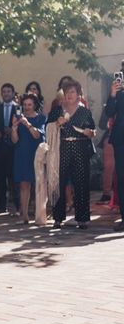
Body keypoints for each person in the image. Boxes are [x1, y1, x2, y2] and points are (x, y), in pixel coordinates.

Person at [47, 79, 96, 229]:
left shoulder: (85, 112)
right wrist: (56, 124)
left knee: (81, 183)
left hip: (80, 148)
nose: (69, 95)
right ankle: (58, 218)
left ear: (78, 94)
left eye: (73, 92)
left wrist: (89, 132)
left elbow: (92, 130)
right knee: (59, 182)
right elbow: (47, 127)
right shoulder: (57, 110)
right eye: (67, 92)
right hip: (62, 148)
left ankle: (82, 218)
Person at [11, 93, 46, 224]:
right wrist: (14, 127)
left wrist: (27, 124)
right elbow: (14, 140)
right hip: (21, 154)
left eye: (29, 104)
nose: (26, 107)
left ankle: (40, 214)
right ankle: (24, 215)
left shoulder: (41, 118)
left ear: (35, 105)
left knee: (39, 184)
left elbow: (37, 135)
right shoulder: (18, 118)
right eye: (24, 105)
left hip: (36, 154)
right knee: (24, 185)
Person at [0, 83, 18, 215]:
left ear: (13, 93)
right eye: (4, 91)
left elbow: (22, 125)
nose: (6, 94)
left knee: (14, 178)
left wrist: (13, 130)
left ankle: (18, 205)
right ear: (1, 93)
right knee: (0, 178)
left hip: (13, 147)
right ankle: (1, 205)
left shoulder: (18, 108)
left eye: (8, 91)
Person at [105, 72, 124, 231]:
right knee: (122, 179)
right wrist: (112, 94)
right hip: (121, 139)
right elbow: (109, 113)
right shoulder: (118, 92)